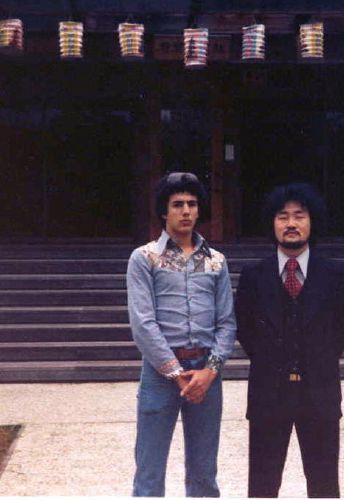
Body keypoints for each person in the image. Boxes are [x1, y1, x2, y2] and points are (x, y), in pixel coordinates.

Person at [235, 182, 344, 498]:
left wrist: (315, 360)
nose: (290, 224)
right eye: (282, 216)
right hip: (267, 395)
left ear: (312, 221)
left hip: (320, 394)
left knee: (324, 484)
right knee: (262, 485)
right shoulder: (253, 276)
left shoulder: (334, 275)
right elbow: (245, 330)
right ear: (271, 223)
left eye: (299, 216)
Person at [127, 171, 236, 497]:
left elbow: (227, 322)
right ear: (164, 211)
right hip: (161, 373)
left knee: (204, 471)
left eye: (192, 204)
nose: (186, 211)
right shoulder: (145, 258)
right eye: (177, 204)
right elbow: (143, 324)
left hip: (206, 372)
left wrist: (210, 372)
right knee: (149, 471)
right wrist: (175, 373)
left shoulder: (216, 261)